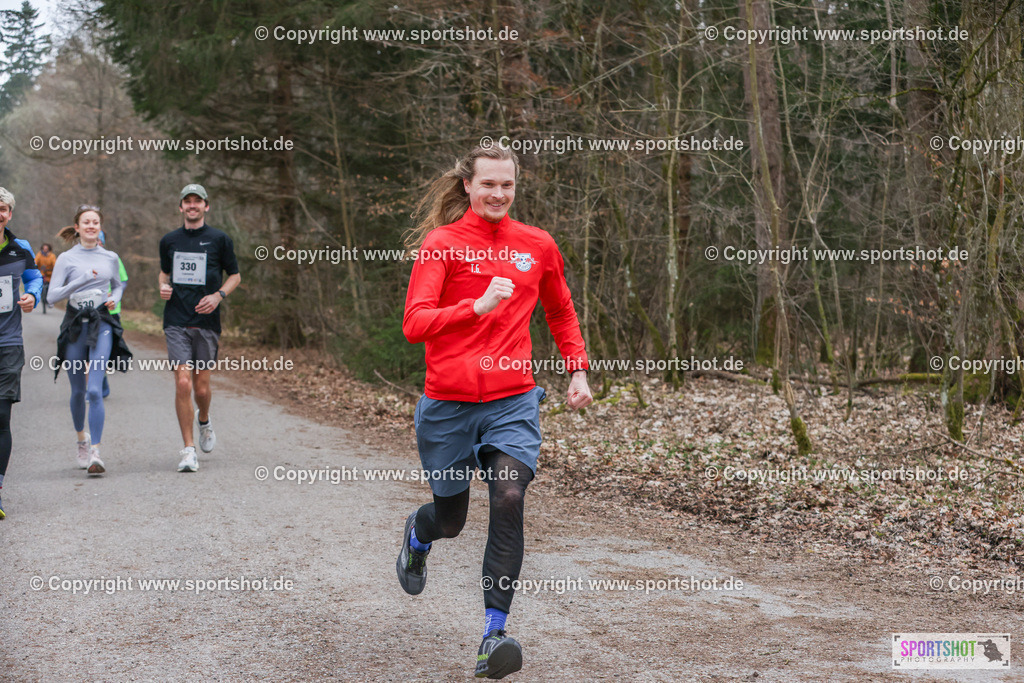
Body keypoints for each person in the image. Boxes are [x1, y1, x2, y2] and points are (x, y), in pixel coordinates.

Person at [397, 146, 592, 678]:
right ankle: (419, 533)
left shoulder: (537, 245)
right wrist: (475, 307)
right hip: (448, 404)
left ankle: (493, 634)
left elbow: (560, 309)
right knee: (452, 519)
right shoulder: (442, 245)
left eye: (507, 185)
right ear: (467, 186)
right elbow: (415, 324)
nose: (499, 195)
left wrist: (577, 368)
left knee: (508, 495)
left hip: (512, 399)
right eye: (488, 185)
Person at [158, 184, 240, 473]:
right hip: (176, 320)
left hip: (206, 322)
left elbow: (235, 275)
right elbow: (164, 272)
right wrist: (162, 286)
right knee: (182, 382)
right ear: (181, 207)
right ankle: (188, 450)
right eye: (187, 202)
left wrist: (219, 296)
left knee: (201, 388)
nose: (192, 206)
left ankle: (204, 419)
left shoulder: (220, 239)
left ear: (207, 206)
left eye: (198, 202)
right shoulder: (169, 240)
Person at [47, 206, 131, 476]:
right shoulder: (66, 259)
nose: (92, 226)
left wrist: (115, 299)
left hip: (102, 323)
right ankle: (81, 440)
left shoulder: (110, 257)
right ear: (78, 227)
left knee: (94, 390)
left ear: (100, 227)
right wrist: (81, 280)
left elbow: (118, 284)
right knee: (77, 392)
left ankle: (96, 452)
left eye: (96, 222)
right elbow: (51, 296)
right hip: (74, 327)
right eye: (87, 222)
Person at [0, 188, 43, 518]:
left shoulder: (20, 248)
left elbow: (34, 279)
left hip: (8, 343)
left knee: (1, 416)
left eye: (3, 209)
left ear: (10, 214)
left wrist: (31, 296)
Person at [97, 230, 127, 398]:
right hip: (89, 310)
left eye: (100, 240)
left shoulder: (112, 258)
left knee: (106, 348)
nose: (98, 242)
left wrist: (114, 296)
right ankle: (95, 380)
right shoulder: (79, 258)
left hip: (111, 310)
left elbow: (122, 281)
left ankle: (102, 376)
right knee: (89, 347)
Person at [34, 243, 56, 314]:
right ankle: (40, 297)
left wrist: (52, 269)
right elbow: (35, 262)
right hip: (42, 274)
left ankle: (51, 300)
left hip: (50, 275)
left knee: (52, 288)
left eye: (46, 249)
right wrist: (36, 267)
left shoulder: (52, 256)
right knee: (40, 286)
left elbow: (55, 264)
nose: (45, 250)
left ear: (49, 249)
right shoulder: (39, 255)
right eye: (44, 248)